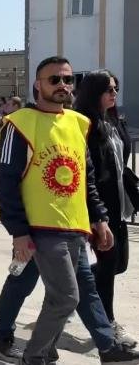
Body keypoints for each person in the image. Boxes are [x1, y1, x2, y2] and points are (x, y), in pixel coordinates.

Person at [0, 56, 117, 364]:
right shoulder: (20, 124)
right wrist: (19, 232)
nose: (63, 85)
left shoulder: (78, 123)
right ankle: (21, 346)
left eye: (68, 79)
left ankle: (105, 344)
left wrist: (99, 218)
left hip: (74, 226)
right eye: (54, 80)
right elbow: (5, 181)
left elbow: (85, 178)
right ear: (38, 85)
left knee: (80, 290)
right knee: (52, 291)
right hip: (40, 229)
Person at [74, 70, 138, 346]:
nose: (114, 94)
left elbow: (119, 162)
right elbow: (86, 173)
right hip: (98, 206)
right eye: (108, 89)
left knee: (118, 264)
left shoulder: (114, 121)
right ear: (94, 92)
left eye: (116, 89)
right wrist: (94, 213)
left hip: (118, 203)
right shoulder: (83, 125)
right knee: (109, 263)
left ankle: (76, 289)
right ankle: (107, 323)